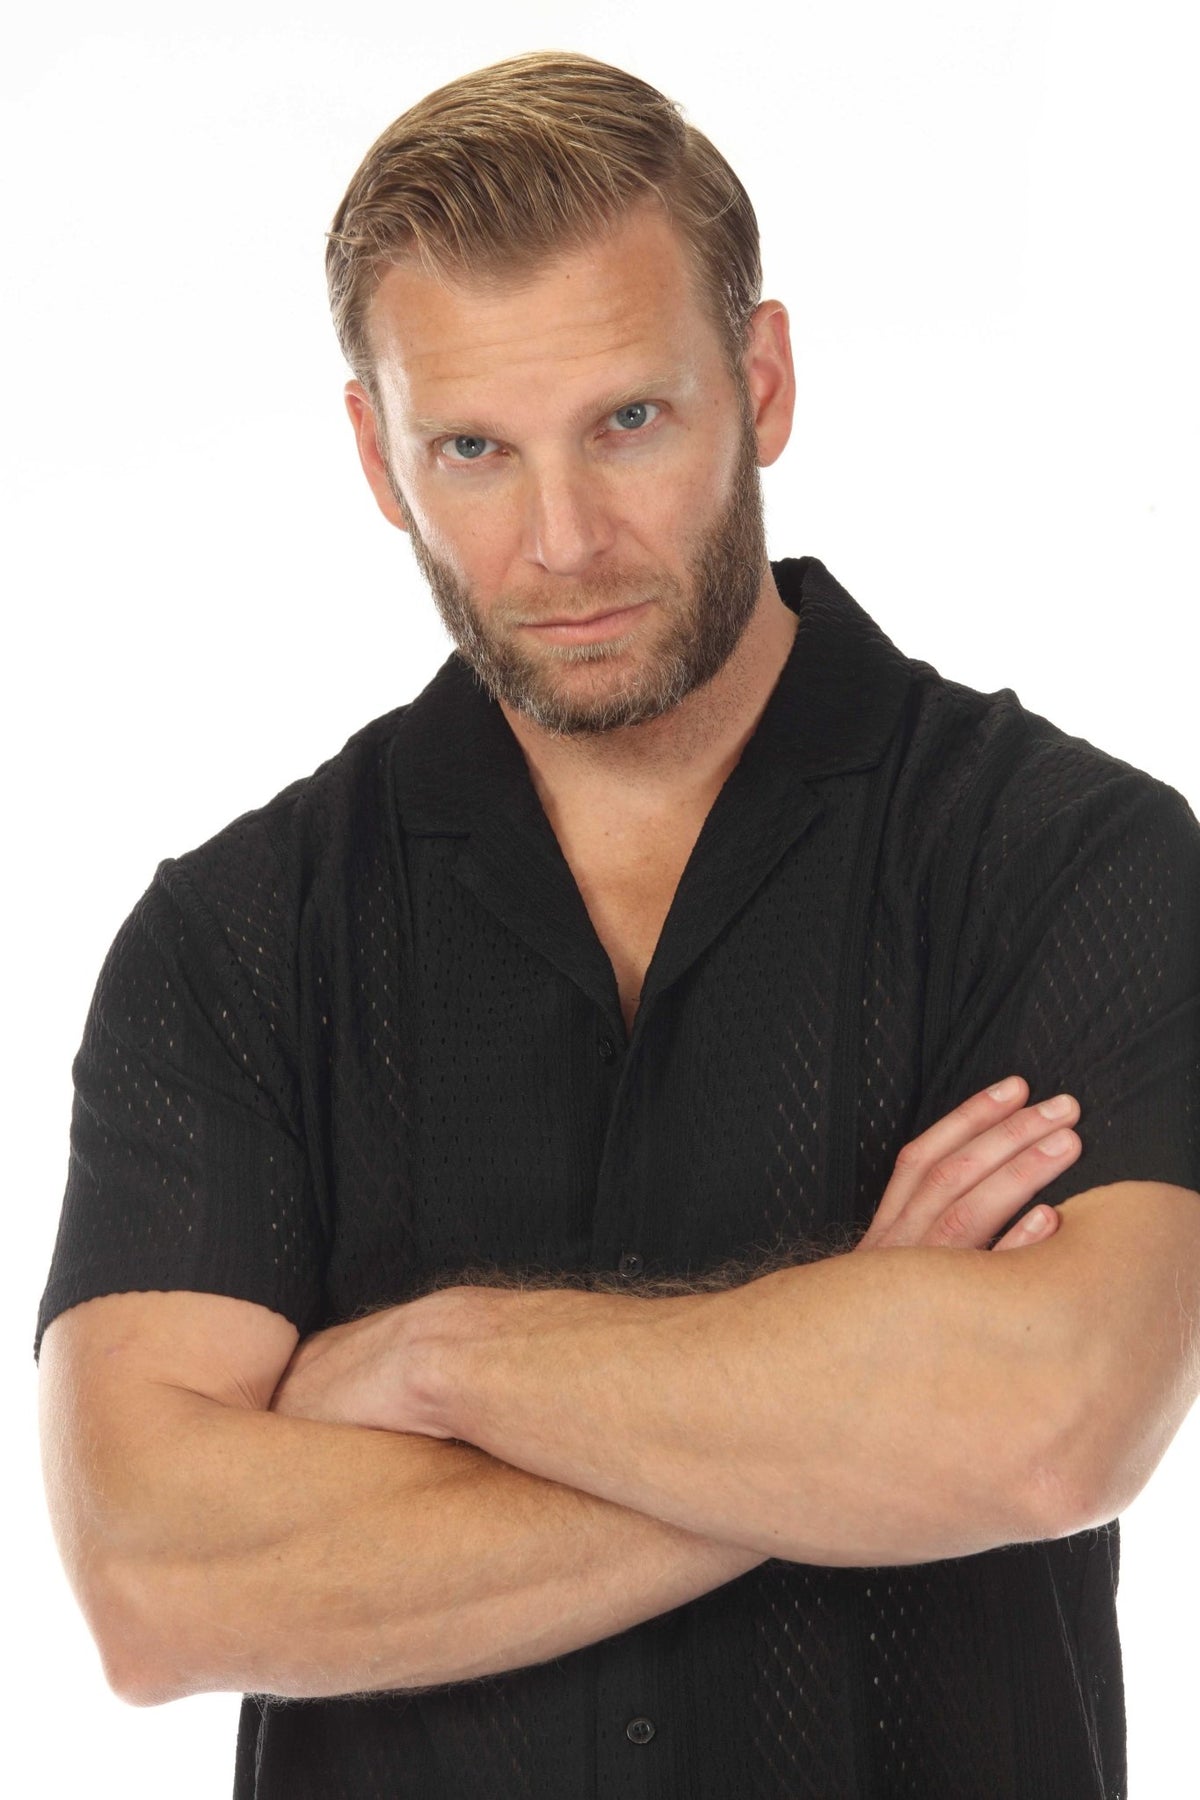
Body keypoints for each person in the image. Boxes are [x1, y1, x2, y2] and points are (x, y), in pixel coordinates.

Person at [35, 50, 1200, 1800]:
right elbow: (156, 1584)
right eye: (474, 450)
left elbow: (1048, 1432)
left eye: (629, 422)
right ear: (376, 457)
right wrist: (852, 1398)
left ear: (762, 381)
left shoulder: (1068, 860)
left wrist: (434, 1361)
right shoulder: (237, 943)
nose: (563, 540)